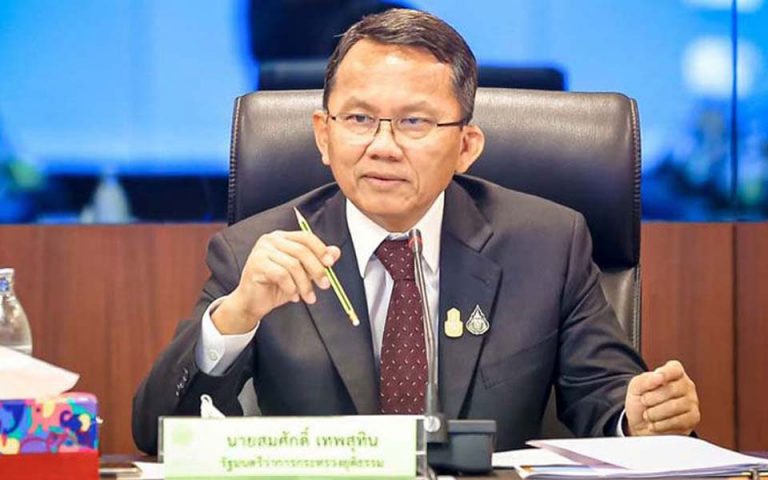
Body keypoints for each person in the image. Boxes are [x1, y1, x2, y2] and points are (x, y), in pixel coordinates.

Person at [132, 8, 700, 454]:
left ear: (467, 146)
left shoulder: (547, 244)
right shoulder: (256, 253)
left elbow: (606, 398)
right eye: (359, 119)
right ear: (323, 135)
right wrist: (235, 317)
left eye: (414, 122)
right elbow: (157, 434)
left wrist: (641, 416)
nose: (383, 146)